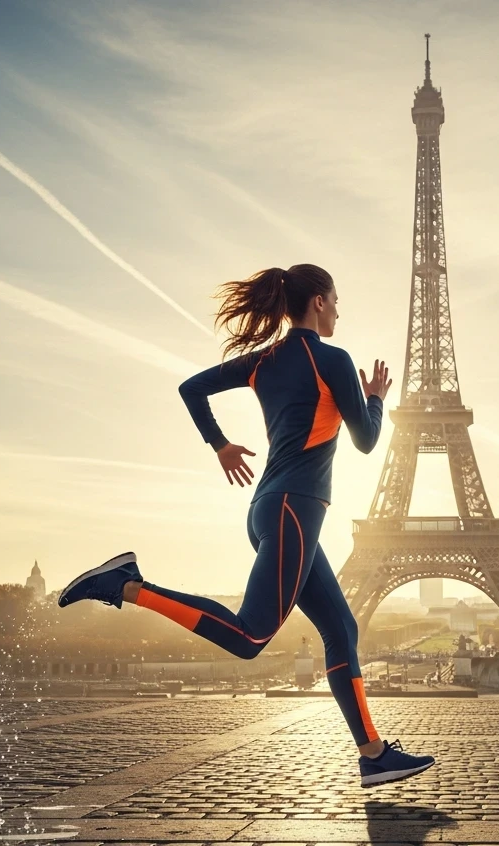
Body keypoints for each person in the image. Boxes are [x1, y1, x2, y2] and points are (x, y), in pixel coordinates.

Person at [58, 264, 435, 788]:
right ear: (320, 303)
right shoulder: (332, 360)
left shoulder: (265, 360)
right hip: (294, 511)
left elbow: (192, 388)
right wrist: (373, 397)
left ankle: (373, 754)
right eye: (336, 300)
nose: (340, 310)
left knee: (341, 629)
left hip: (272, 511)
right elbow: (367, 440)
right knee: (249, 635)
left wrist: (220, 445)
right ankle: (125, 585)